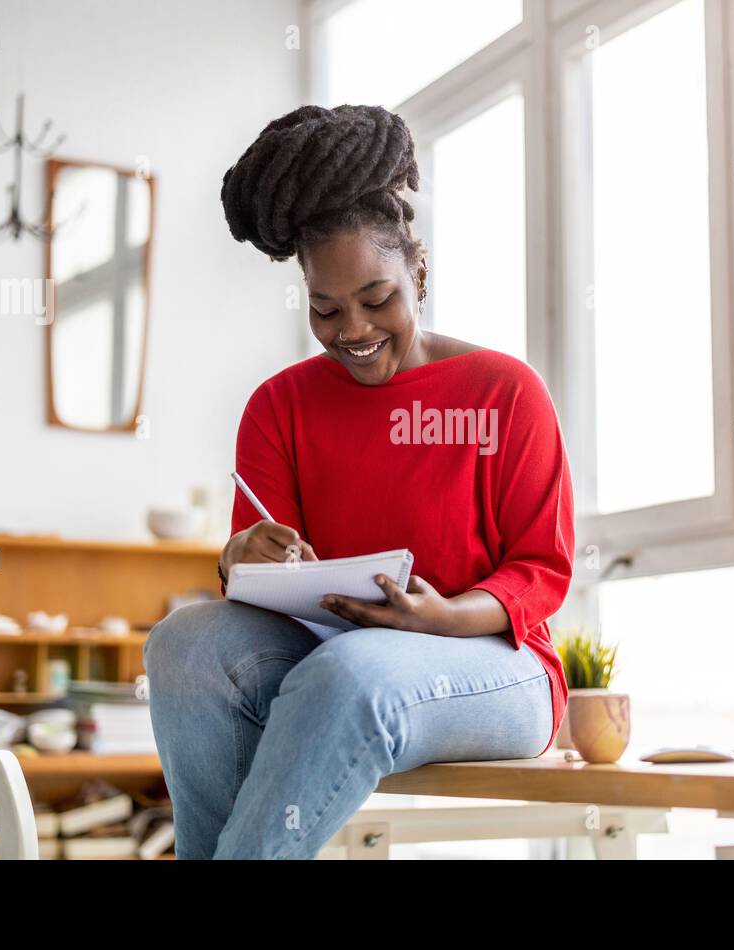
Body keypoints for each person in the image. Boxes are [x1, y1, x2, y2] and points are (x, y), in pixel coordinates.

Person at [144, 104, 575, 859]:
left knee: (353, 672)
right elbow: (255, 587)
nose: (353, 330)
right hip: (336, 656)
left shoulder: (504, 392)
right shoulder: (279, 407)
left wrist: (439, 616)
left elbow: (540, 573)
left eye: (377, 300)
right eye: (325, 308)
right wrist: (239, 556)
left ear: (420, 272)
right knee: (182, 644)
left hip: (497, 668)